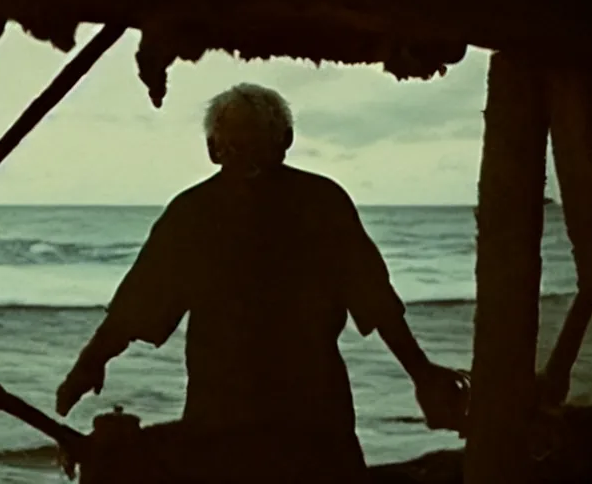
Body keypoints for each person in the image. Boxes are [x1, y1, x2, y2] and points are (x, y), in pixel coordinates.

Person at [55, 83, 471, 482]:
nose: (245, 158)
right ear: (285, 139)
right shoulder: (320, 201)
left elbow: (135, 308)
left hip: (238, 413)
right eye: (238, 145)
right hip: (302, 411)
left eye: (250, 144)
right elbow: (376, 300)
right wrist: (420, 372)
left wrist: (90, 362)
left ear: (212, 149)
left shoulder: (196, 212)